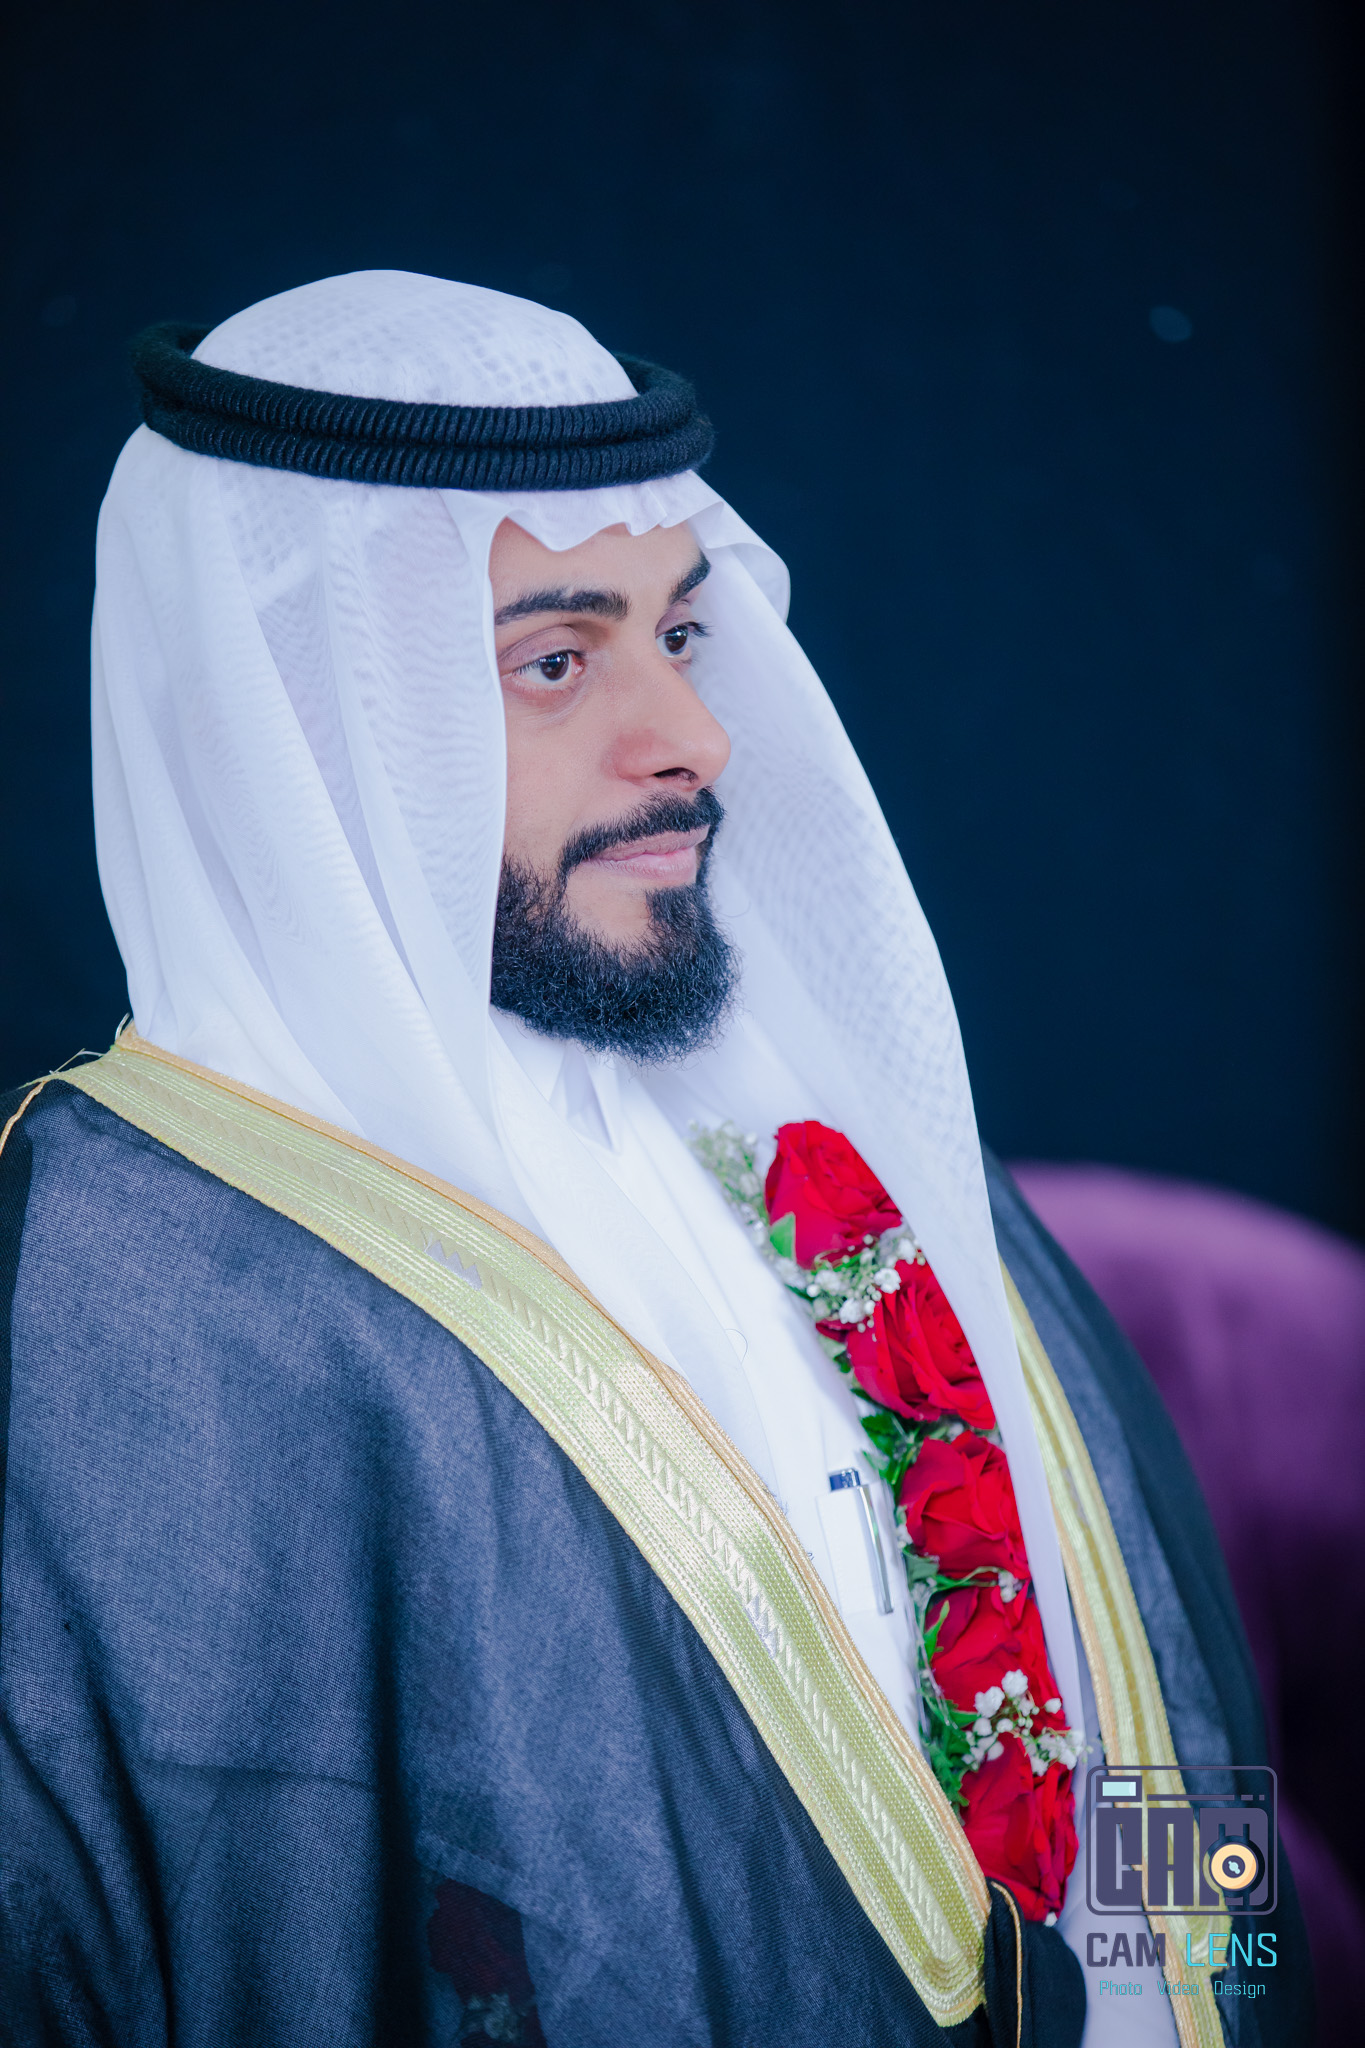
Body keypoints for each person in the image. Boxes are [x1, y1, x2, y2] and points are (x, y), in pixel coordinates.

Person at [0, 272, 1310, 2047]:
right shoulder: (121, 1300)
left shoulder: (853, 1146)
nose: (690, 739)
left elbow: (1145, 1699)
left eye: (678, 635)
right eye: (554, 661)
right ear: (297, 721)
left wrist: (1211, 2009)